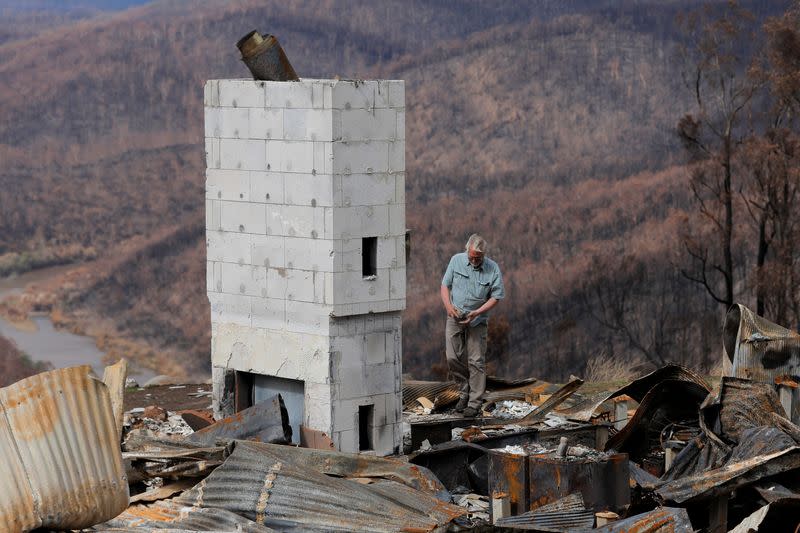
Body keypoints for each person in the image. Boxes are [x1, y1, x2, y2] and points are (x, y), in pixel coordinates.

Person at [440, 234, 505, 417]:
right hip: (455, 315)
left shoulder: (492, 268)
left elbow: (496, 296)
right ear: (466, 250)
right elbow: (445, 286)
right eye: (472, 256)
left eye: (478, 257)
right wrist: (448, 307)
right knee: (452, 357)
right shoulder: (456, 260)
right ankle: (464, 391)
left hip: (477, 320)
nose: (475, 260)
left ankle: (474, 403)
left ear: (484, 255)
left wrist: (478, 312)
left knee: (476, 361)